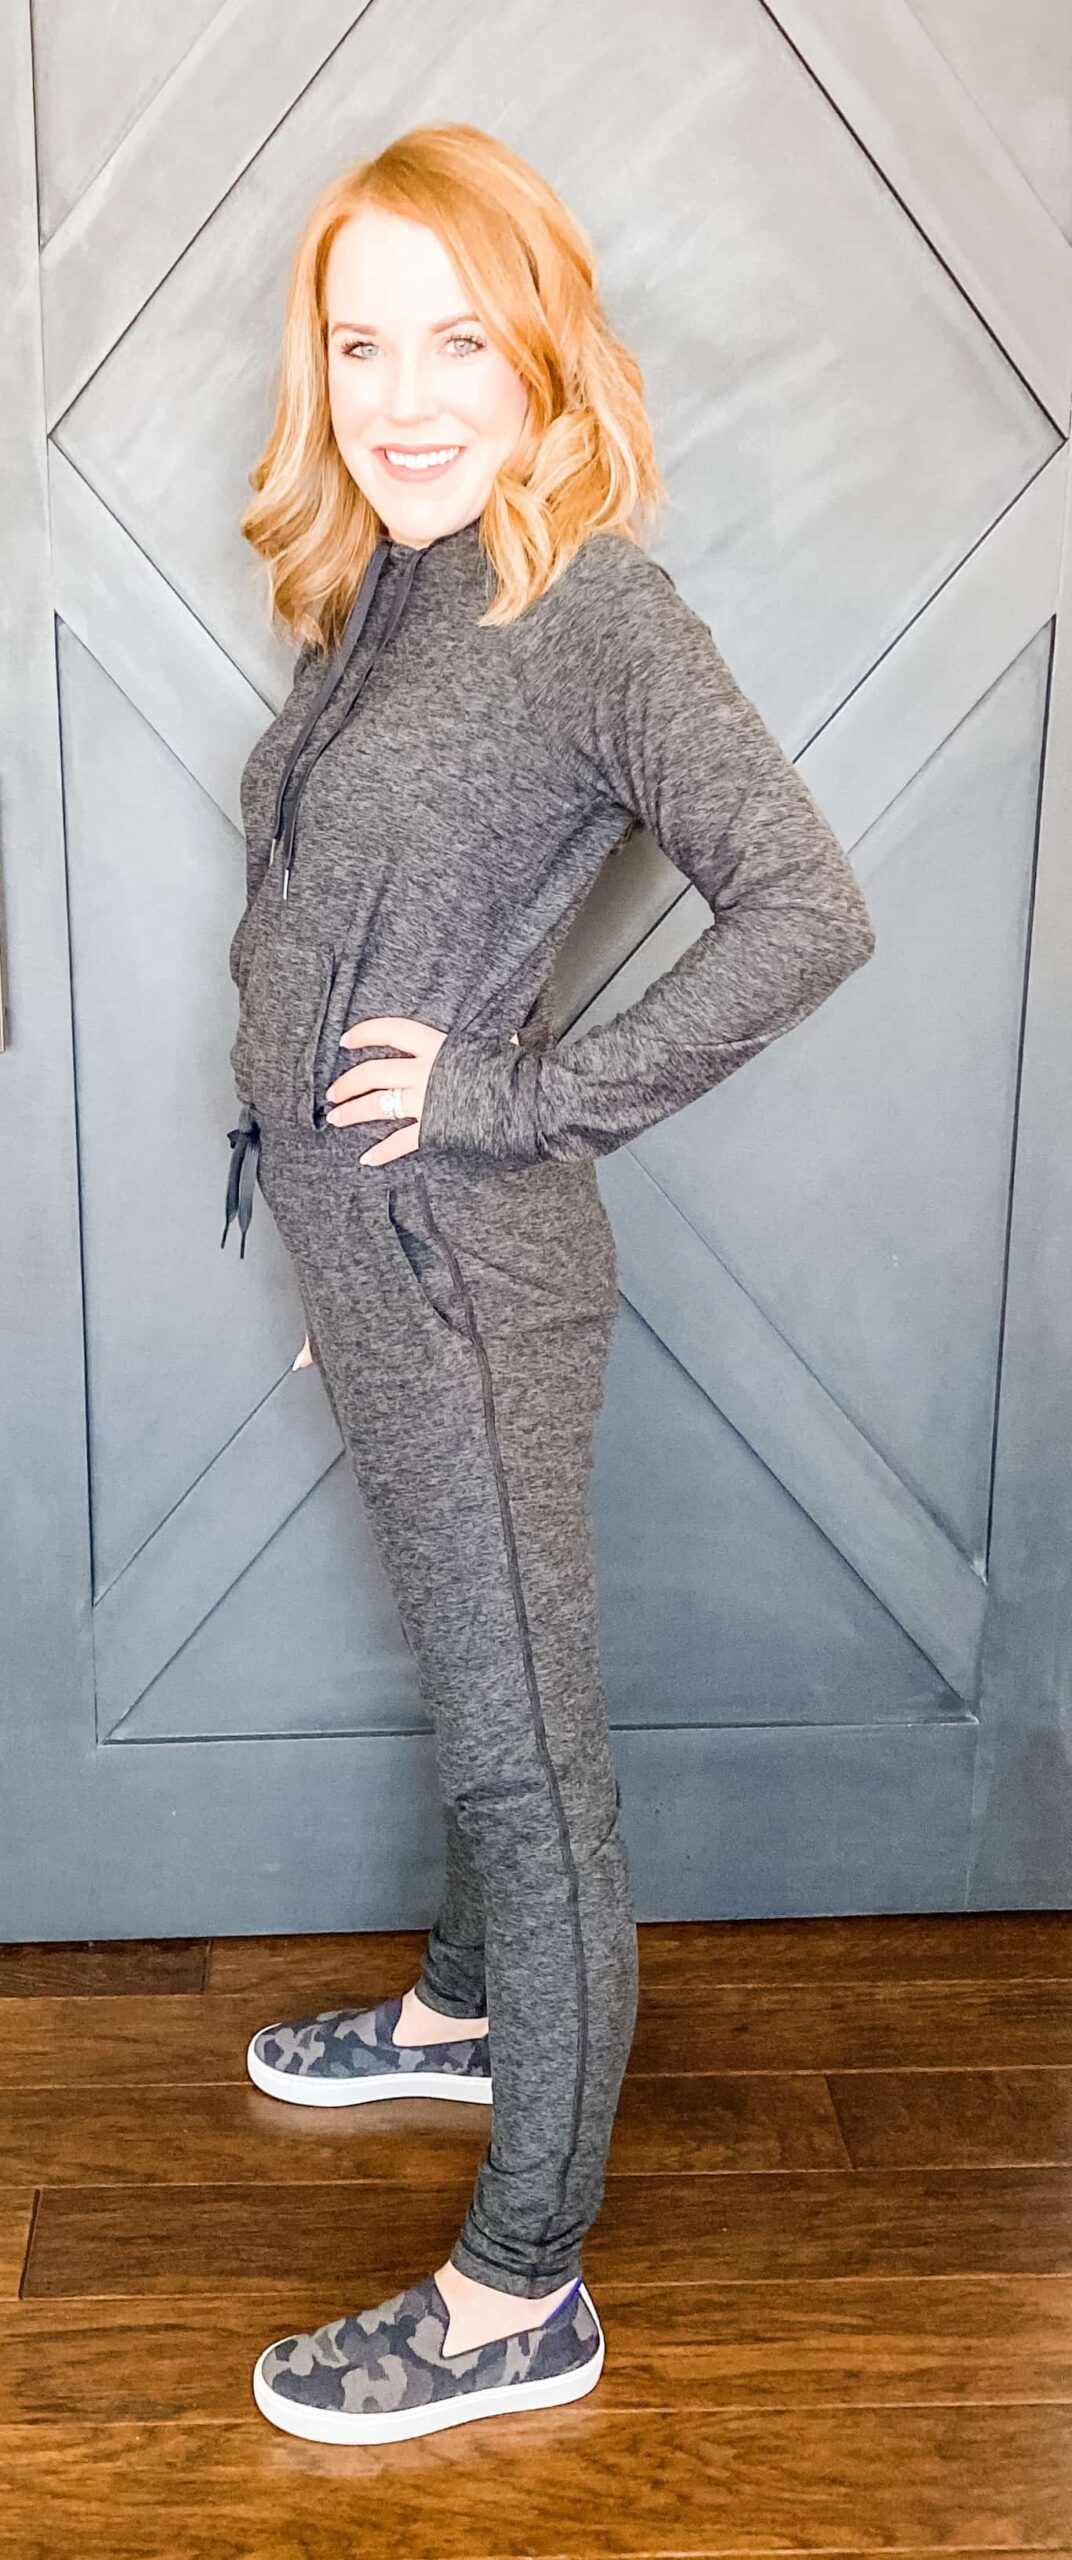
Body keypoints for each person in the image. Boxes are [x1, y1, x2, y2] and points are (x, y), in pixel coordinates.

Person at [222, 121, 877, 2448]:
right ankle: (465, 2007)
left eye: (457, 342)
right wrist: (323, 1223)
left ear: (540, 354)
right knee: (469, 1677)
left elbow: (805, 908)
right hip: (378, 1265)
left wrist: (513, 1094)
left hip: (471, 1270)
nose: (402, 396)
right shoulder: (396, 582)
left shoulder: (590, 608)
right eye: (359, 342)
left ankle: (520, 2291)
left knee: (529, 1760)